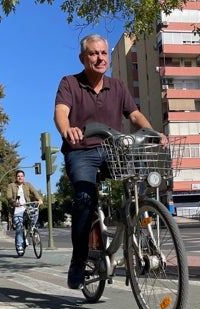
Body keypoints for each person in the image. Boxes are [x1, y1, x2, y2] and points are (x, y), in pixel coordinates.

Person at [53, 34, 162, 289]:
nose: (99, 58)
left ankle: (141, 234)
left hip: (114, 149)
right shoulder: (70, 83)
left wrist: (153, 133)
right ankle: (78, 261)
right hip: (82, 150)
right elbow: (61, 111)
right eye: (93, 53)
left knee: (139, 183)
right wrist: (67, 129)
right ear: (83, 58)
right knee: (84, 199)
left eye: (103, 53)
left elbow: (134, 115)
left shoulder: (118, 87)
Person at [7, 170, 44, 256]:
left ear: (24, 177)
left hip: (27, 207)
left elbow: (34, 192)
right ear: (16, 177)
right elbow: (9, 197)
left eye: (22, 176)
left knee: (35, 210)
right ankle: (20, 245)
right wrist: (14, 203)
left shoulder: (28, 185)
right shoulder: (11, 186)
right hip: (17, 209)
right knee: (19, 227)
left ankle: (33, 229)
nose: (20, 177)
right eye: (18, 176)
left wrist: (39, 199)